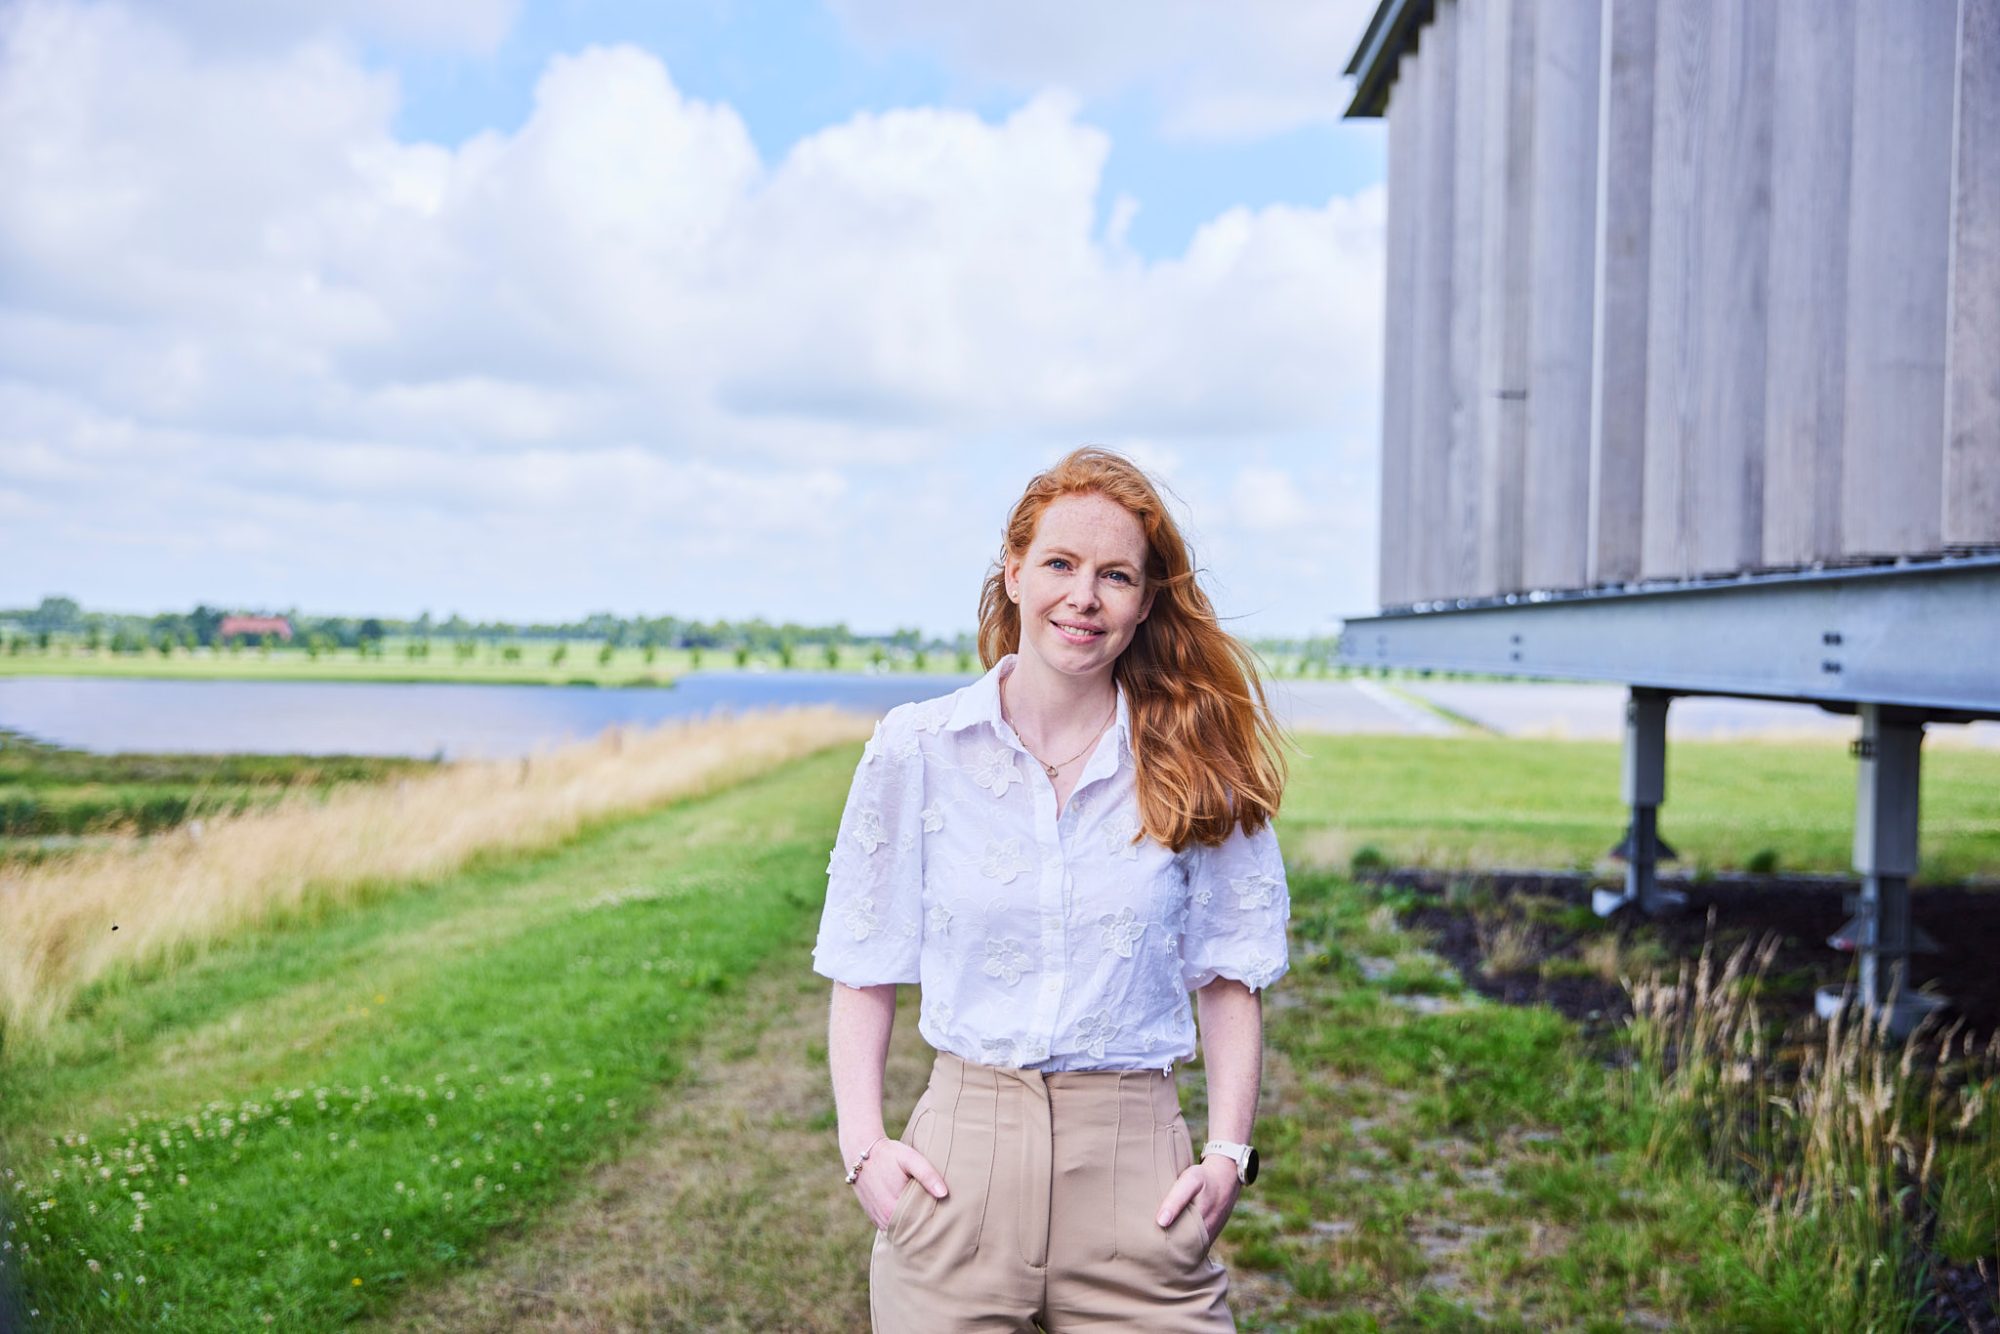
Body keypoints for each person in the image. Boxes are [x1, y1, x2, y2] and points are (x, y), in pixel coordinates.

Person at [813, 446, 1291, 1332]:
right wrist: (862, 1147)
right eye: (1061, 565)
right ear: (1015, 571)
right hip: (958, 1174)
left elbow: (1230, 976)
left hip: (1136, 1183)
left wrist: (1228, 1153)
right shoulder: (916, 750)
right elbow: (862, 962)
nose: (1085, 596)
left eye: (1116, 575)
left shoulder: (1197, 762)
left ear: (1146, 602)